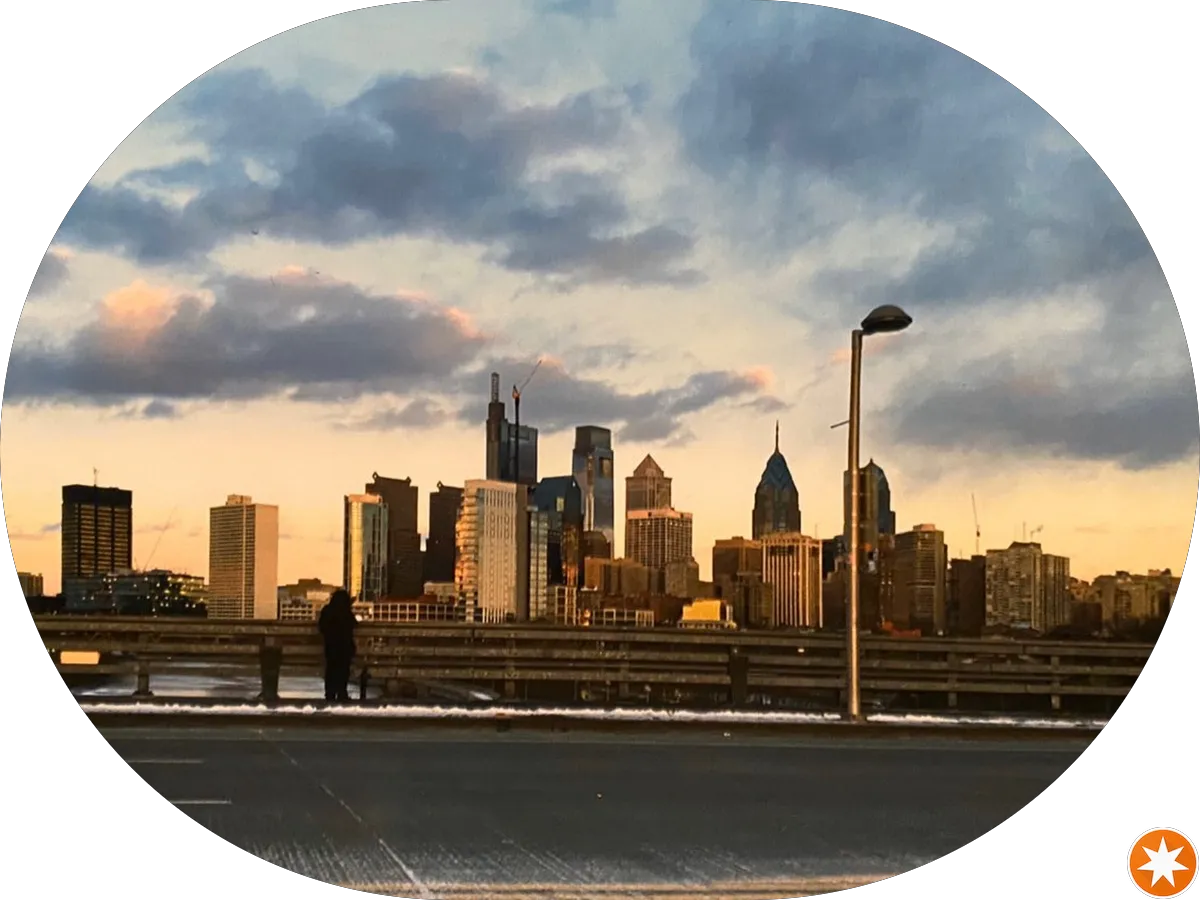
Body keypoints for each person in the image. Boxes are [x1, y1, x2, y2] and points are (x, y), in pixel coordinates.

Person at [318, 589, 357, 701]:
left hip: (331, 646)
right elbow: (353, 624)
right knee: (343, 670)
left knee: (331, 669)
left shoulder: (327, 610)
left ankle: (330, 693)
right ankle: (341, 692)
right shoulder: (346, 612)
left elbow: (321, 627)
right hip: (344, 646)